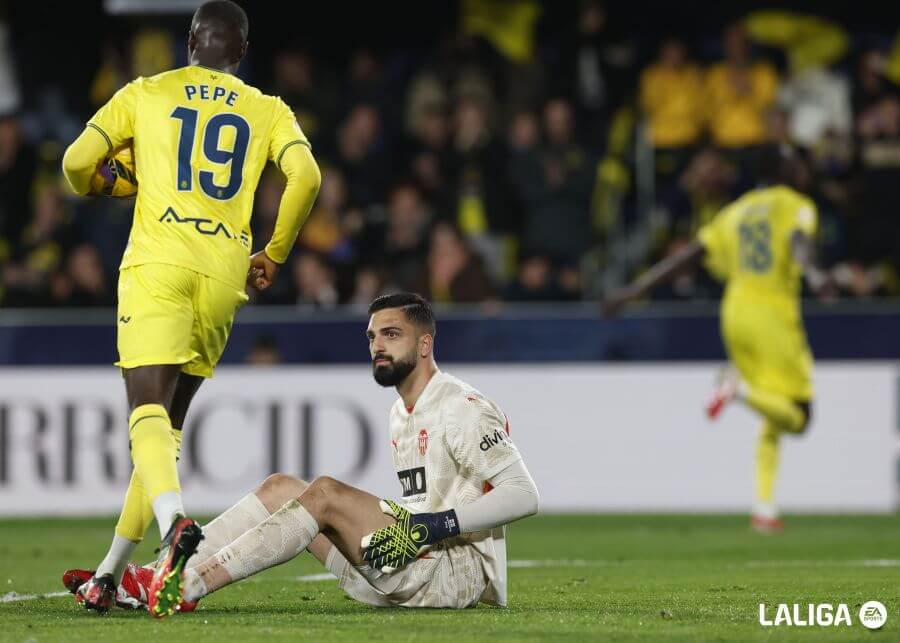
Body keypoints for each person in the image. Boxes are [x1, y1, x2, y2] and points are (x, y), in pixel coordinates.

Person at [59, 0, 321, 617]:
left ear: (190, 42)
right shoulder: (266, 108)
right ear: (242, 53)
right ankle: (109, 574)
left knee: (145, 412)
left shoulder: (146, 92)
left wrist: (99, 185)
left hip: (159, 262)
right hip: (226, 272)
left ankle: (175, 524)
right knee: (166, 430)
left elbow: (74, 163)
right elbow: (306, 176)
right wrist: (276, 253)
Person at [62, 293, 539, 611]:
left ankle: (189, 586)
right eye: (372, 336)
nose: (377, 345)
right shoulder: (402, 413)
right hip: (412, 555)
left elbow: (524, 495)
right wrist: (413, 526)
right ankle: (157, 573)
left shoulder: (461, 408)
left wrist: (430, 526)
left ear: (426, 343)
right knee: (280, 487)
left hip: (456, 573)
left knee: (326, 493)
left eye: (391, 335)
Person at [604, 145, 833, 532]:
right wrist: (815, 275)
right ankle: (736, 391)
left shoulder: (736, 211)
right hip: (773, 315)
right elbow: (798, 242)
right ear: (785, 169)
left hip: (734, 312)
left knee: (772, 412)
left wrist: (634, 290)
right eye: (797, 163)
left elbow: (690, 255)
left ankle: (764, 509)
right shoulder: (795, 203)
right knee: (800, 416)